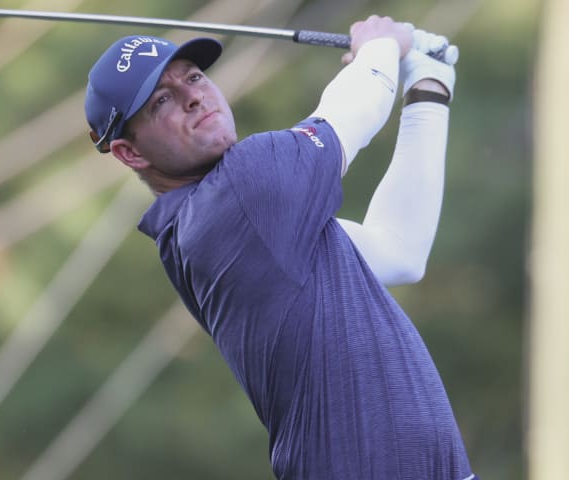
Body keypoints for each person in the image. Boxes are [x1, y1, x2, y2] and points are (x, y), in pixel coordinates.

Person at [84, 14, 475, 479]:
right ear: (131, 152)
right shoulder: (242, 192)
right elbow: (357, 107)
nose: (194, 96)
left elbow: (399, 251)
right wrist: (383, 42)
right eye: (162, 101)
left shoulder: (252, 224)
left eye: (194, 76)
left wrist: (428, 92)